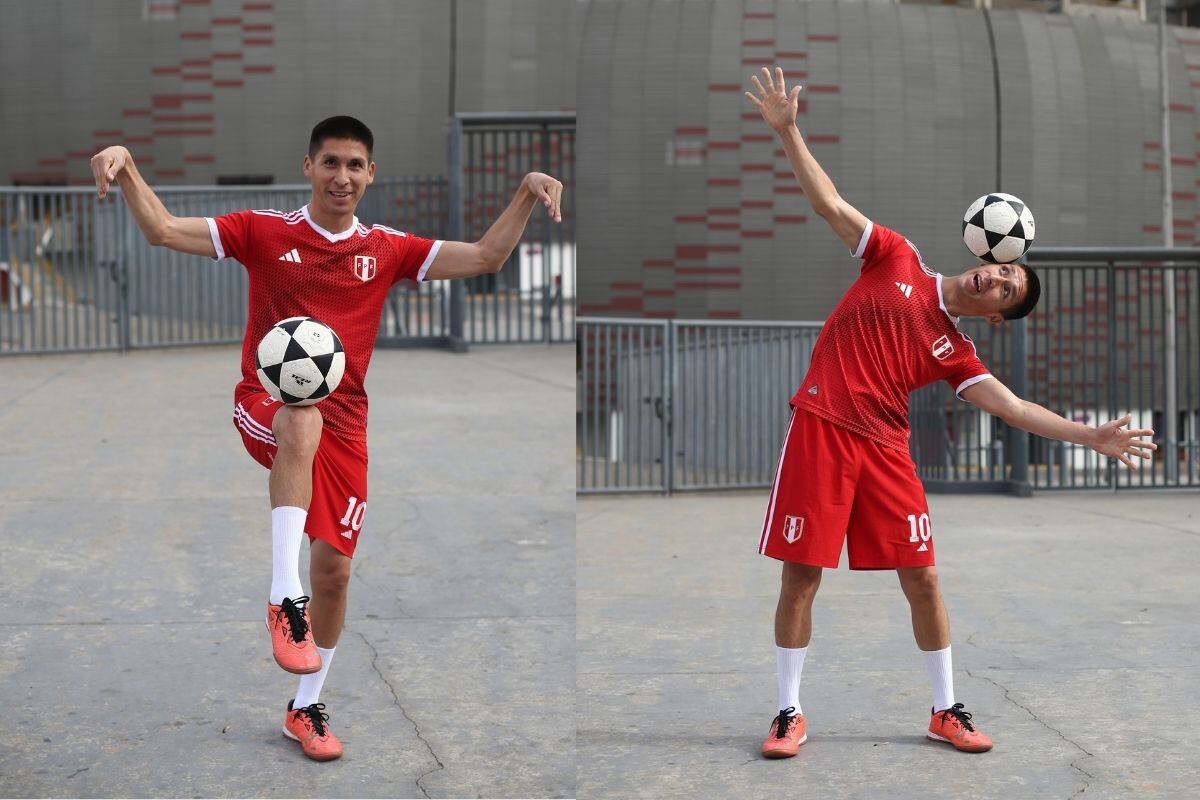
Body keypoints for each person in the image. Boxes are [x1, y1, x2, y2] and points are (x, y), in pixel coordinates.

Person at [89, 115, 563, 762]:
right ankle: (284, 596)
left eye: (356, 165)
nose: (343, 176)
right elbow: (163, 229)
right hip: (267, 404)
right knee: (300, 416)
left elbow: (486, 257)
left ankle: (305, 706)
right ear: (308, 167)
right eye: (331, 162)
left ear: (372, 175)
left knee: (336, 574)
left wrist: (526, 193)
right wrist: (128, 167)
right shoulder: (263, 232)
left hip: (348, 425)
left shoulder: (387, 248)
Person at [745, 68, 1155, 758]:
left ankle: (946, 709)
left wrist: (1092, 433)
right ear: (982, 254)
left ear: (996, 314)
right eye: (1003, 270)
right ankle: (788, 712)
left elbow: (1015, 407)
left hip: (884, 449)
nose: (998, 277)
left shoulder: (956, 351)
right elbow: (830, 203)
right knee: (801, 575)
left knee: (925, 576)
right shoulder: (895, 257)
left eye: (1009, 286)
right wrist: (789, 130)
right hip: (820, 426)